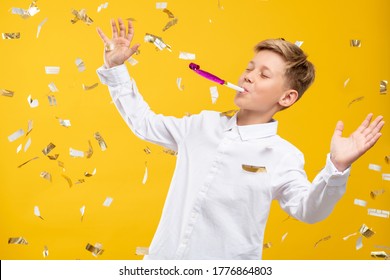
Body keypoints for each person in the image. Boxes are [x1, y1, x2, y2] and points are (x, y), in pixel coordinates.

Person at [96, 18, 384, 260]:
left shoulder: (283, 156)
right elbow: (145, 124)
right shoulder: (201, 125)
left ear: (286, 97)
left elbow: (309, 210)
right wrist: (116, 69)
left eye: (264, 74)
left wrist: (337, 167)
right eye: (249, 68)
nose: (248, 76)